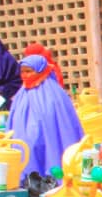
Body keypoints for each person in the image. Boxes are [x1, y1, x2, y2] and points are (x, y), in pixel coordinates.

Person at [6, 54, 84, 183]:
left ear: (40, 70)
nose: (25, 75)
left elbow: (63, 124)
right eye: (23, 72)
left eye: (29, 71)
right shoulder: (21, 94)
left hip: (49, 141)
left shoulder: (54, 94)